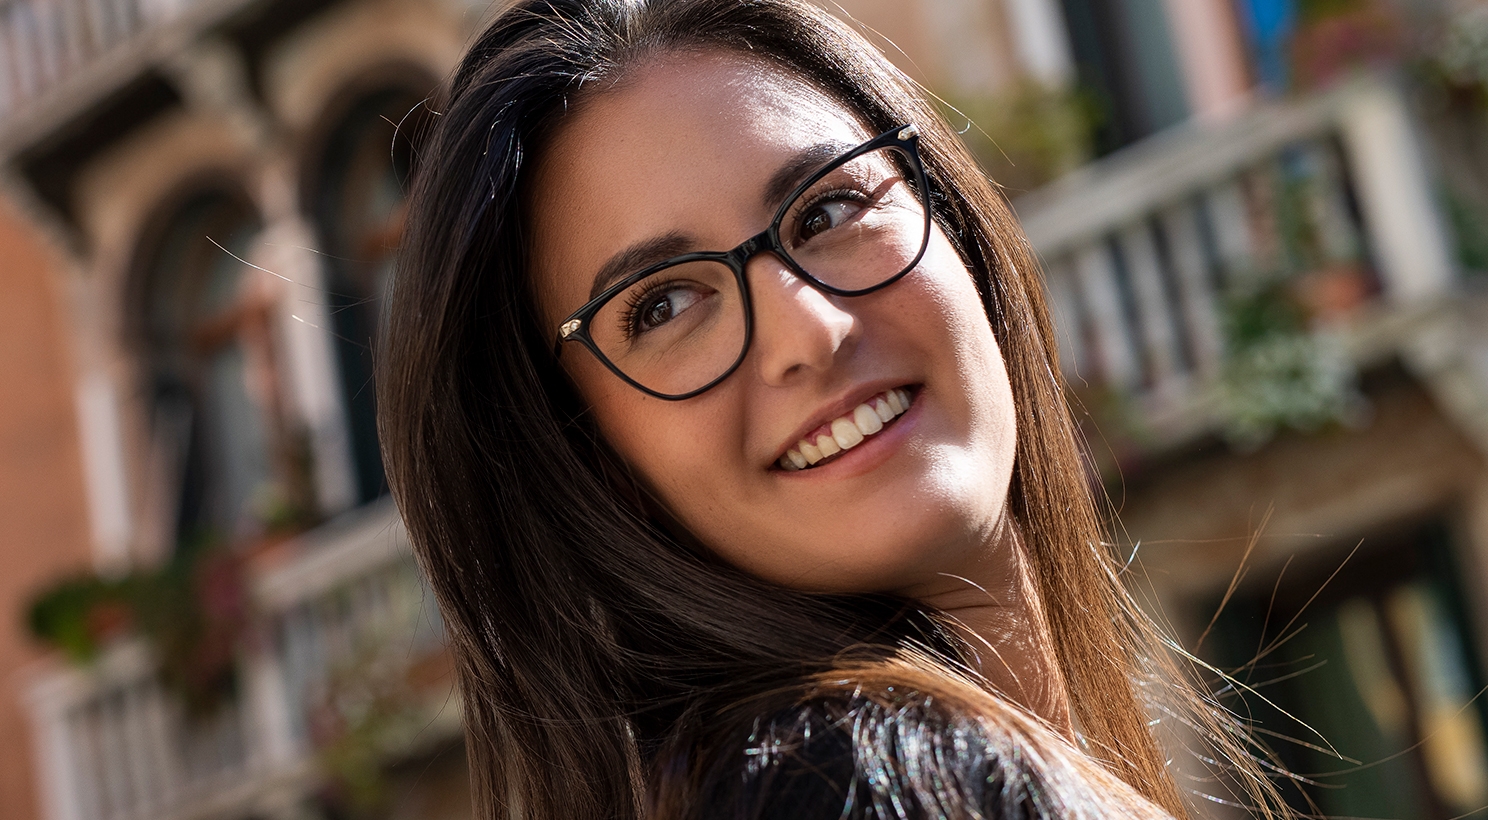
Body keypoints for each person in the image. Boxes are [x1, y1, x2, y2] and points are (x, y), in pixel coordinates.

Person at [375, 0, 1281, 815]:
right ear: (588, 461)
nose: (810, 329)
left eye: (828, 211)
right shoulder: (841, 783)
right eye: (663, 306)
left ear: (956, 222)